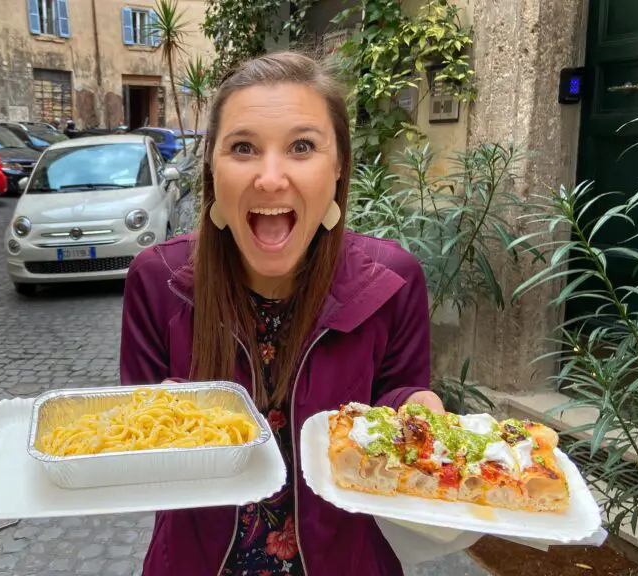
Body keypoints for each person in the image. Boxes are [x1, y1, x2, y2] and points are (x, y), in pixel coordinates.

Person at [119, 50, 445, 575]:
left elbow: (395, 400)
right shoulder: (157, 281)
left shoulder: (394, 280)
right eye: (243, 147)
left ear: (338, 167)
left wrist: (418, 406)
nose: (271, 178)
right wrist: (162, 422)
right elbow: (137, 436)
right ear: (212, 167)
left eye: (302, 147)